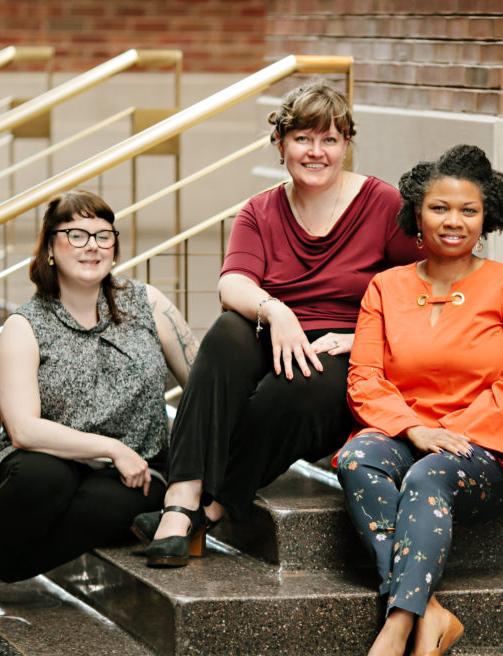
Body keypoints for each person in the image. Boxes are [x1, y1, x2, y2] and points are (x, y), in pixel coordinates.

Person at [132, 81, 421, 567]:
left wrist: (359, 337)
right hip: (277, 333)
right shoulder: (260, 209)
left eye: (330, 139)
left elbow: (421, 291)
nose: (316, 152)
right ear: (280, 143)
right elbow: (233, 286)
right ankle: (181, 499)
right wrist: (278, 311)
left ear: (346, 145)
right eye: (303, 138)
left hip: (343, 349)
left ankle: (209, 506)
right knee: (226, 333)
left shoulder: (383, 204)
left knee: (295, 385)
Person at [0, 190, 198, 609]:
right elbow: (23, 430)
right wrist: (111, 447)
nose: (92, 245)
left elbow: (203, 389)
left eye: (103, 235)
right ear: (51, 248)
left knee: (103, 504)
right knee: (45, 479)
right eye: (76, 234)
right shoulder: (25, 324)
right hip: (47, 458)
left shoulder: (148, 304)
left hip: (134, 471)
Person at [336, 144, 503, 656]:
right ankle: (431, 615)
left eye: (468, 211)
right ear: (416, 213)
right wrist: (415, 428)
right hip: (410, 434)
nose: (453, 222)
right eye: (439, 208)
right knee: (358, 456)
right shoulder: (386, 287)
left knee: (430, 473)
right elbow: (364, 378)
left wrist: (449, 433)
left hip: (491, 454)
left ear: (487, 216)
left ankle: (397, 623)